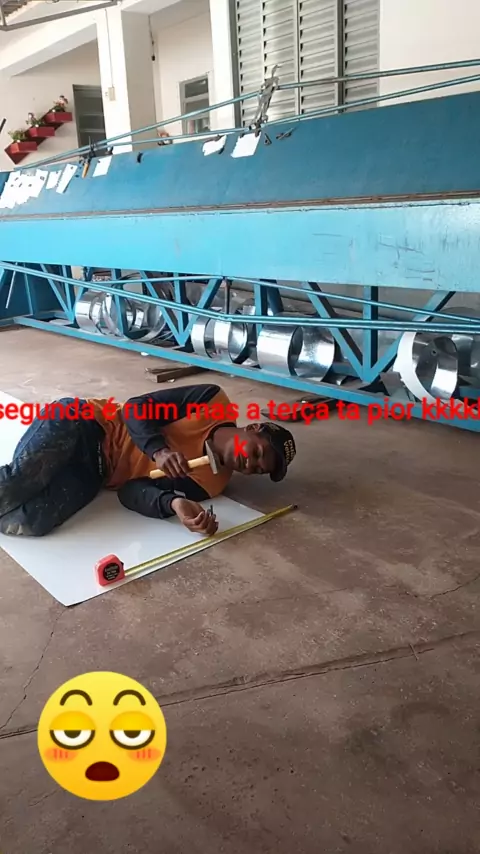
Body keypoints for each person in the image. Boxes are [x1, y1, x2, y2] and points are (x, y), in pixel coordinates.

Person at [0, 383, 296, 538]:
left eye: (258, 470)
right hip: (85, 423)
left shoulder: (211, 482)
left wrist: (173, 504)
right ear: (252, 428)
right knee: (19, 483)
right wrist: (159, 450)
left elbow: (131, 491)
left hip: (95, 471)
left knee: (31, 521)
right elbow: (136, 408)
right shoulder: (211, 402)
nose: (251, 465)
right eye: (257, 453)